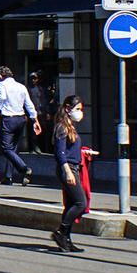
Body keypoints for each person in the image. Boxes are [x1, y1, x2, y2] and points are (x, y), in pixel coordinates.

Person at [50, 95, 98, 253]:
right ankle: (61, 232)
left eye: (81, 109)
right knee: (80, 203)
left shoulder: (70, 127)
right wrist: (67, 172)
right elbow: (60, 152)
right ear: (67, 109)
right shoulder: (62, 127)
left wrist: (84, 151)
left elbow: (70, 150)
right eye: (77, 109)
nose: (80, 112)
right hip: (68, 169)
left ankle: (66, 240)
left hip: (74, 167)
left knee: (71, 205)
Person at [0, 66, 41, 185]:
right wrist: (34, 119)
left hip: (8, 118)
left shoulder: (2, 85)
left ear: (0, 76)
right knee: (13, 149)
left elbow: (2, 98)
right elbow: (29, 104)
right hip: (21, 118)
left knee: (6, 148)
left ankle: (24, 168)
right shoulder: (21, 86)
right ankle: (8, 176)